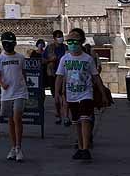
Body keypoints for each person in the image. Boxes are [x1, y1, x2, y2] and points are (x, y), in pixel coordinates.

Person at [56, 27, 111, 161]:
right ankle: (81, 147)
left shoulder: (87, 59)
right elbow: (59, 76)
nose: (73, 45)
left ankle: (86, 148)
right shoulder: (64, 59)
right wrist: (57, 93)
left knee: (85, 119)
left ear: (81, 43)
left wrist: (103, 93)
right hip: (71, 94)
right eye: (70, 43)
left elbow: (96, 77)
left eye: (75, 42)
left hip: (86, 93)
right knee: (77, 122)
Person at [0, 31, 28, 162]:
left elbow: (23, 73)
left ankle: (19, 147)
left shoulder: (20, 57)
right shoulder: (0, 58)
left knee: (17, 118)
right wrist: (2, 84)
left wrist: (25, 88)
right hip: (7, 93)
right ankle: (13, 147)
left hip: (20, 91)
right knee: (10, 120)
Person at [46, 29, 69, 125]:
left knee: (64, 95)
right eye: (58, 36)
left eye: (61, 36)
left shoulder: (66, 47)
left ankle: (66, 116)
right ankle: (58, 114)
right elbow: (43, 59)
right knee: (56, 96)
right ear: (54, 38)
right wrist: (50, 60)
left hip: (64, 74)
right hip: (53, 74)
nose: (60, 38)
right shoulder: (50, 48)